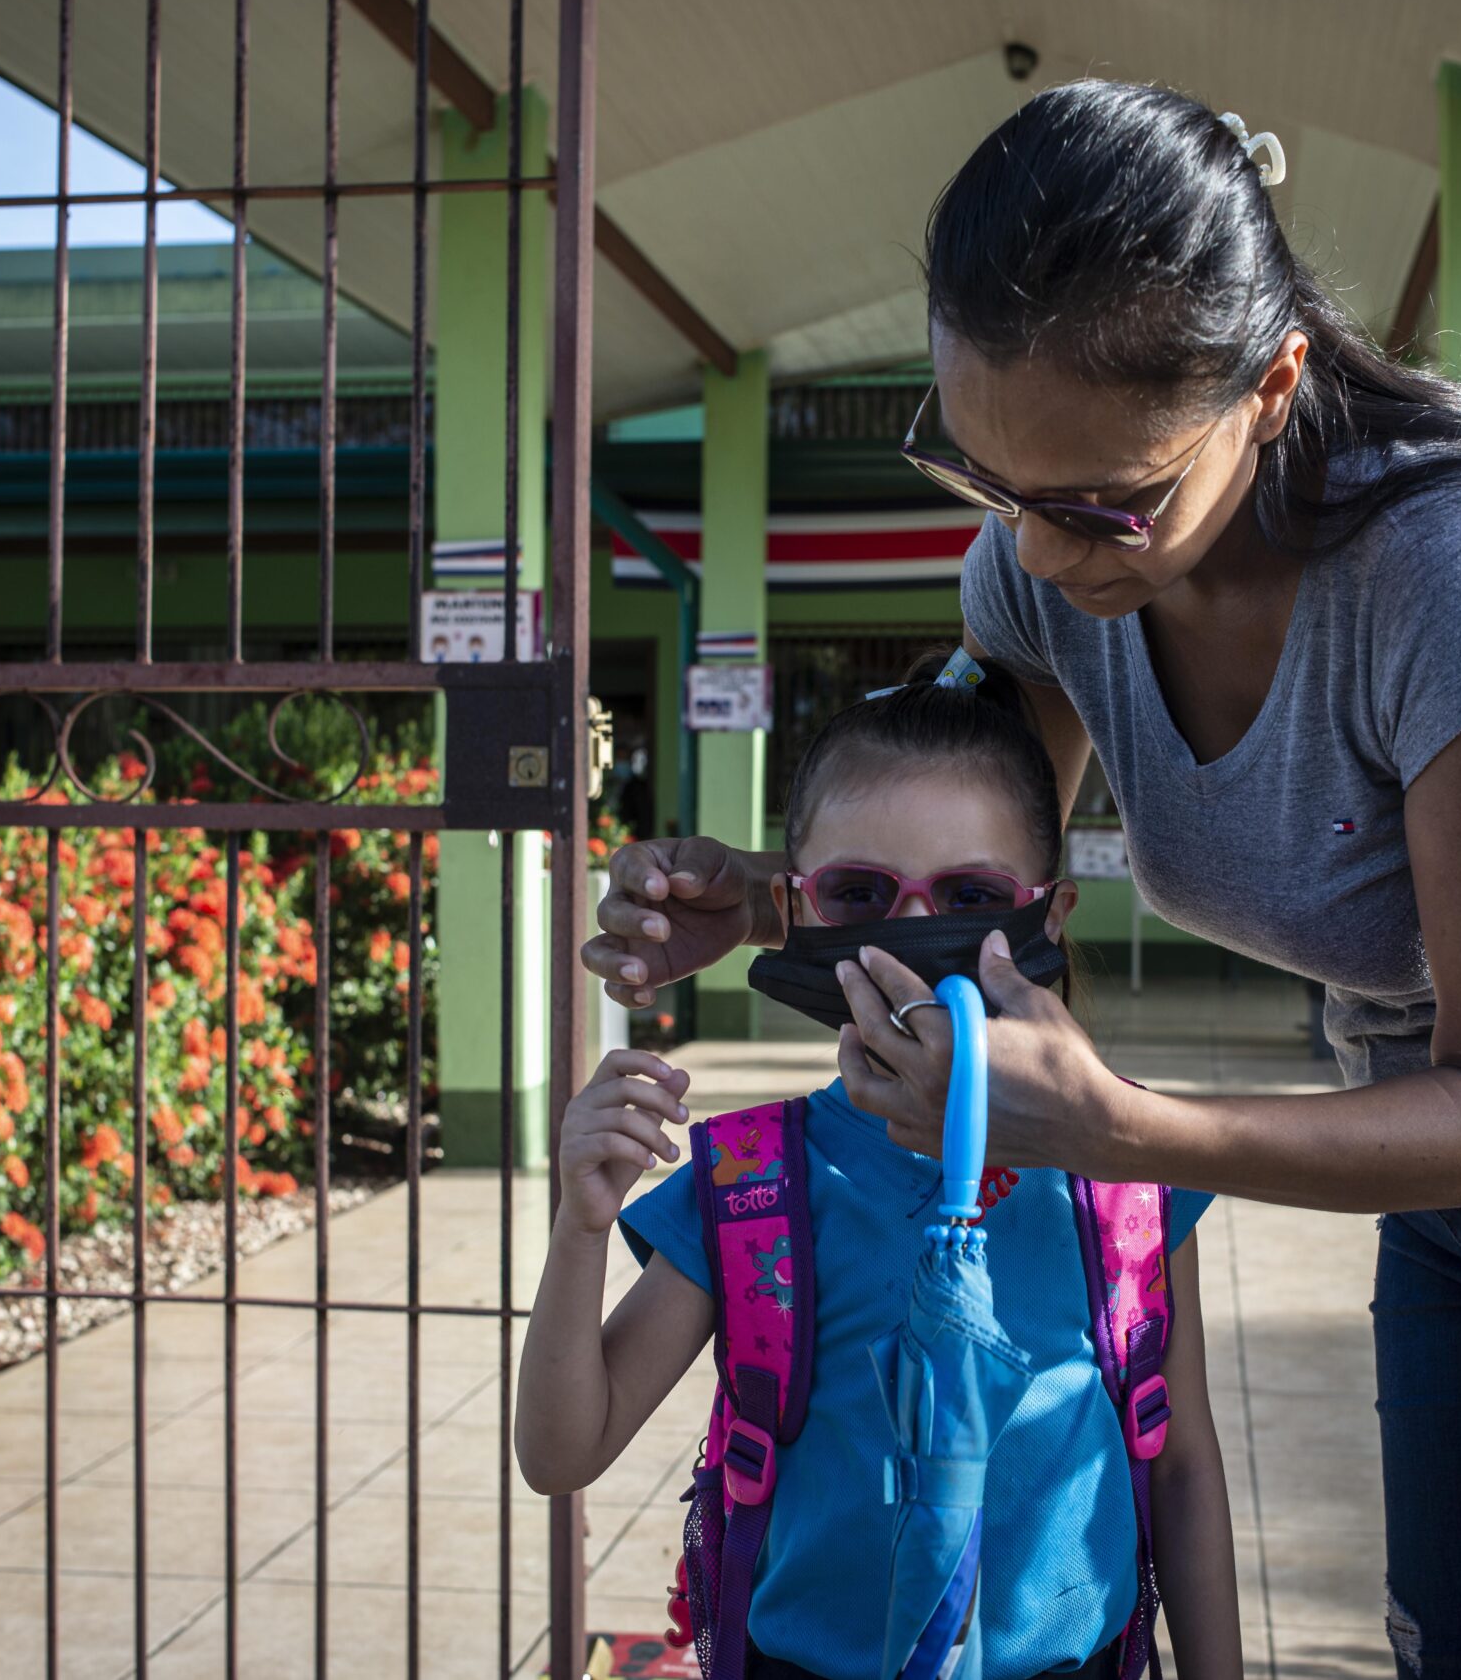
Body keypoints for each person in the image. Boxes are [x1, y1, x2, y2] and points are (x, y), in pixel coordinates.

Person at [584, 81, 1461, 1679]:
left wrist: (1116, 1127)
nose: (1046, 553)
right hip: (1448, 1182)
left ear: (1272, 385)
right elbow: (971, 871)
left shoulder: (1456, 579)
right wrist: (773, 900)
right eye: (992, 483)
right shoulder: (1045, 565)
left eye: (1104, 502)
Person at [520, 657, 1241, 1680]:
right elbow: (562, 1449)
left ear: (1050, 914)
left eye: (968, 894)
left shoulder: (1125, 1178)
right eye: (859, 890)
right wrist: (581, 1225)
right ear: (797, 907)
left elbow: (1185, 1467)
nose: (908, 929)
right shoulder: (753, 1183)